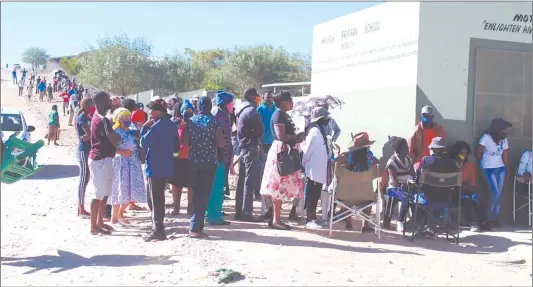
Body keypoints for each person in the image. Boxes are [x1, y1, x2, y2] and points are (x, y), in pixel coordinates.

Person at [261, 90, 305, 230]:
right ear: (283, 102)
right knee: (278, 186)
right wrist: (296, 137)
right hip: (282, 152)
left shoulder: (282, 115)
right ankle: (276, 220)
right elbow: (281, 136)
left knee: (279, 186)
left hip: (285, 150)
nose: (292, 102)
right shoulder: (279, 115)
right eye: (290, 100)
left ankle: (276, 218)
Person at [181, 96, 224, 238]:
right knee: (203, 194)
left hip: (193, 162)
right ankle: (196, 227)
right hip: (209, 163)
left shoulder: (191, 121)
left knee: (194, 193)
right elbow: (221, 144)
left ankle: (194, 224)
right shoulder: (214, 122)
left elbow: (185, 142)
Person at [140, 99, 179, 241]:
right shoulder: (171, 125)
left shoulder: (156, 127)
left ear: (158, 111)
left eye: (151, 110)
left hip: (154, 166)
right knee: (159, 198)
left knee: (154, 199)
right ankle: (158, 227)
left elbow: (143, 142)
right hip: (165, 165)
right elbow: (176, 146)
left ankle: (158, 229)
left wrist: (145, 127)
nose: (149, 113)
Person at [88, 91, 121, 236]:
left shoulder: (100, 118)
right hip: (99, 160)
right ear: (102, 102)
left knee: (105, 194)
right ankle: (93, 226)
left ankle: (100, 222)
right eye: (108, 100)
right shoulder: (102, 120)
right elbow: (115, 139)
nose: (111, 103)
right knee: (98, 195)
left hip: (106, 159)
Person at [332, 132, 379, 231]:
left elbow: (334, 162)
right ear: (367, 147)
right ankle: (365, 224)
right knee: (367, 189)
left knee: (348, 187)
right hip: (366, 196)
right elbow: (378, 167)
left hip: (345, 196)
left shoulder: (347, 157)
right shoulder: (371, 158)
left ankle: (348, 221)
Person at [414, 137, 459, 238]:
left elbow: (417, 180)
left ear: (433, 149)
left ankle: (419, 228)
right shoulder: (451, 163)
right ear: (443, 149)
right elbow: (457, 182)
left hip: (427, 198)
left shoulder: (425, 160)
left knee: (416, 198)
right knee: (437, 201)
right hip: (445, 199)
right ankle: (431, 228)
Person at [109, 108, 147, 226]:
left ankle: (120, 213)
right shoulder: (115, 132)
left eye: (128, 118)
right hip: (121, 164)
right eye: (124, 118)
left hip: (132, 164)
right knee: (119, 190)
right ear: (118, 119)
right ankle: (114, 218)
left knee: (130, 192)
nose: (127, 120)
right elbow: (109, 147)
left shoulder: (128, 131)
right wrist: (122, 151)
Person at [235, 88, 264, 222]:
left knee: (242, 180)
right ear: (252, 98)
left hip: (243, 147)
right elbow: (260, 130)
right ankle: (247, 212)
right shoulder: (251, 111)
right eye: (257, 97)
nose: (259, 99)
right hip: (251, 147)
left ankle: (239, 211)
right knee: (249, 180)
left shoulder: (240, 110)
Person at [476, 118, 512, 228]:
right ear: (497, 129)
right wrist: (483, 163)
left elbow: (505, 155)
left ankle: (493, 219)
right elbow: (479, 152)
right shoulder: (486, 137)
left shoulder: (504, 140)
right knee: (495, 192)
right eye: (504, 129)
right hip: (488, 168)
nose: (506, 131)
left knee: (498, 194)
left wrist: (507, 169)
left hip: (500, 168)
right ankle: (488, 219)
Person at [301, 107, 332, 229]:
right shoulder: (314, 131)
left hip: (319, 169)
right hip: (313, 169)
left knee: (316, 193)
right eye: (325, 117)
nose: (327, 119)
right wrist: (303, 163)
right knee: (312, 194)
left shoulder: (320, 130)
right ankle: (309, 219)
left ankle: (313, 217)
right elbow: (307, 151)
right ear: (321, 118)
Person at [448, 141, 481, 232]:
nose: (464, 155)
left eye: (466, 153)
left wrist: (462, 185)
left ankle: (472, 223)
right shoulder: (450, 164)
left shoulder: (469, 165)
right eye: (461, 153)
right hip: (449, 193)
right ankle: (450, 223)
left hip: (463, 193)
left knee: (467, 199)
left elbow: (473, 187)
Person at [168, 100, 194, 216]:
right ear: (181, 111)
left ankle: (190, 207)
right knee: (176, 184)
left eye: (189, 110)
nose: (187, 113)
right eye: (185, 110)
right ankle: (176, 206)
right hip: (177, 158)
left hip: (191, 158)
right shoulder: (175, 124)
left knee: (191, 185)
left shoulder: (195, 124)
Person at [385, 136, 415, 232]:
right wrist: (403, 184)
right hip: (393, 188)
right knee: (406, 197)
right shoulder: (392, 162)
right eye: (405, 147)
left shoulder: (409, 160)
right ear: (399, 149)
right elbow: (393, 180)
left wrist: (413, 181)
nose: (408, 148)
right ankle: (400, 221)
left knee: (418, 196)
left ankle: (415, 221)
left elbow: (413, 174)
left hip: (407, 186)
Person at [408, 105, 447, 170]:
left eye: (428, 116)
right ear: (421, 116)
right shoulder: (415, 131)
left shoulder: (439, 130)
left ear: (432, 117)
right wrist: (410, 165)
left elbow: (444, 146)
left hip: (436, 160)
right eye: (424, 116)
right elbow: (410, 151)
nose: (425, 118)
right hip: (420, 161)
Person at [212, 90, 234, 202]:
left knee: (223, 180)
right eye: (231, 103)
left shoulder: (226, 114)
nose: (232, 105)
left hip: (226, 152)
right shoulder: (218, 114)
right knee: (218, 180)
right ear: (225, 103)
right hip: (220, 153)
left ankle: (219, 205)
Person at [75, 98, 94, 218]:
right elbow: (89, 133)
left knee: (86, 178)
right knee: (83, 178)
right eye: (92, 105)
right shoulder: (82, 117)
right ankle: (80, 207)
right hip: (83, 150)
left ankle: (81, 207)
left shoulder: (86, 116)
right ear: (87, 105)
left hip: (87, 149)